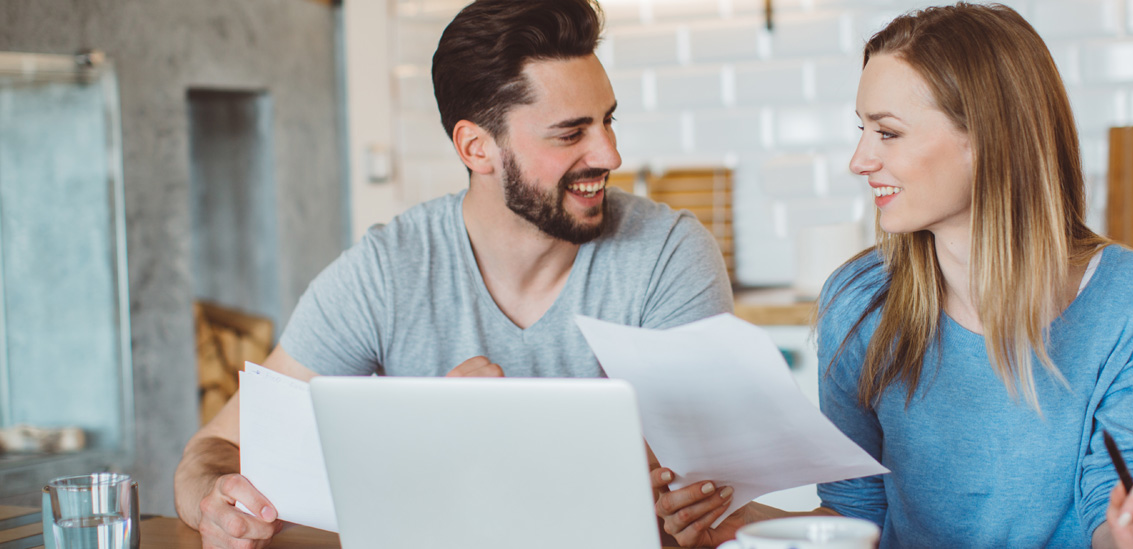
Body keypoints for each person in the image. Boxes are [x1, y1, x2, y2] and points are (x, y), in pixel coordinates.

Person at [651, 4, 1133, 548]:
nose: (859, 159)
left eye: (887, 132)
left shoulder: (1131, 298)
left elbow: (1114, 506)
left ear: (989, 140)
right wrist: (737, 525)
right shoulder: (859, 301)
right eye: (862, 129)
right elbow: (855, 516)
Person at [173, 0, 733, 545]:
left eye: (607, 121)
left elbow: (699, 480)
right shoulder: (388, 270)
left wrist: (439, 443)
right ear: (476, 147)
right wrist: (219, 501)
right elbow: (214, 448)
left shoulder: (668, 253)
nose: (609, 154)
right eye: (571, 133)